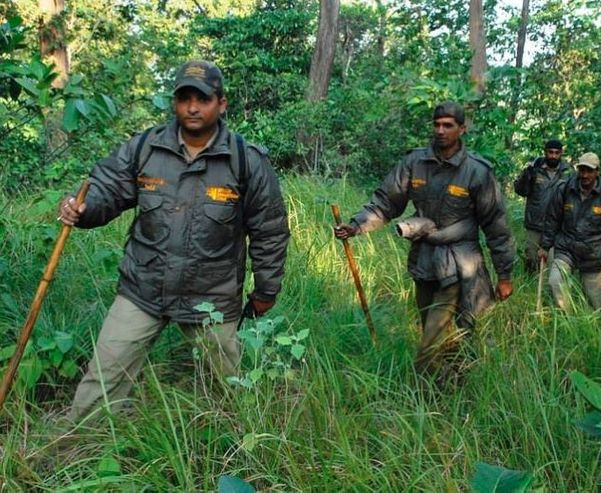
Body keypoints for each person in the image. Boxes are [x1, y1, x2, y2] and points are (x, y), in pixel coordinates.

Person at [58, 60, 290, 421]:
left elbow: (270, 229)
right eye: (184, 98)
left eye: (203, 99)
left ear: (222, 103)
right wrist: (83, 208)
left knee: (231, 389)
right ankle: (77, 446)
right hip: (143, 288)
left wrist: (266, 290)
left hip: (211, 296)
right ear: (175, 103)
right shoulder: (144, 147)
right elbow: (106, 188)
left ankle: (239, 452)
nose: (193, 107)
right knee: (102, 379)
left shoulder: (246, 160)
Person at [334, 102, 515, 377]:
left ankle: (422, 396)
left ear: (462, 129)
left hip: (459, 263)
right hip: (424, 261)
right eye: (436, 124)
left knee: (433, 336)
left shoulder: (477, 171)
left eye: (448, 125)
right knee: (430, 323)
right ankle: (455, 379)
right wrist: (356, 226)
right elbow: (386, 202)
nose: (440, 130)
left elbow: (496, 225)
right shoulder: (414, 162)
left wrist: (504, 275)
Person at [539, 152, 601, 310]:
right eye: (582, 170)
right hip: (566, 249)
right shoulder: (565, 188)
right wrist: (545, 246)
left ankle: (597, 327)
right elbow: (552, 219)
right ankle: (564, 320)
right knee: (555, 282)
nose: (585, 175)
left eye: (589, 170)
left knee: (594, 300)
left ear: (597, 171)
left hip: (594, 253)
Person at [513, 139, 570, 273]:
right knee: (531, 260)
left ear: (561, 153)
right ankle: (530, 290)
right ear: (545, 152)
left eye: (557, 153)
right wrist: (527, 175)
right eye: (550, 152)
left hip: (557, 227)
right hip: (535, 224)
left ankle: (547, 292)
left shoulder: (568, 173)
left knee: (552, 265)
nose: (553, 156)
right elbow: (521, 191)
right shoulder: (535, 168)